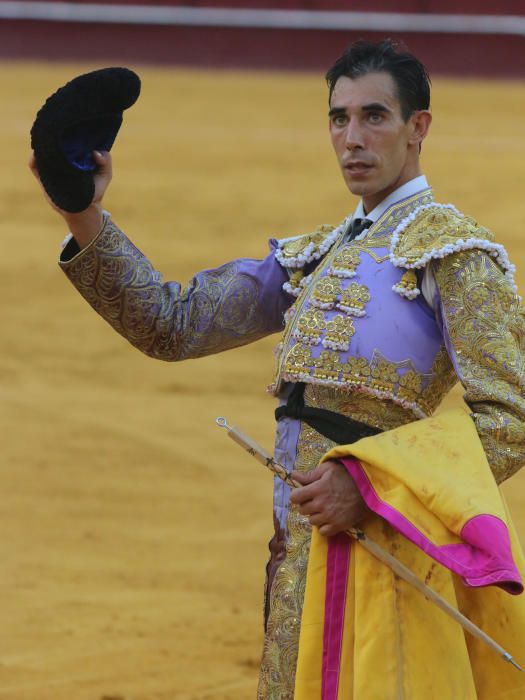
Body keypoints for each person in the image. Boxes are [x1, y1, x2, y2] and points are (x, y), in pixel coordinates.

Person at [30, 40, 525, 699]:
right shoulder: (314, 258)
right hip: (295, 551)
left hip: (385, 553)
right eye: (338, 118)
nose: (352, 137)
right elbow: (173, 324)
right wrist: (80, 210)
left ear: (418, 128)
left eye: (373, 116)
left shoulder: (453, 254)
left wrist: (373, 488)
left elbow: (511, 416)